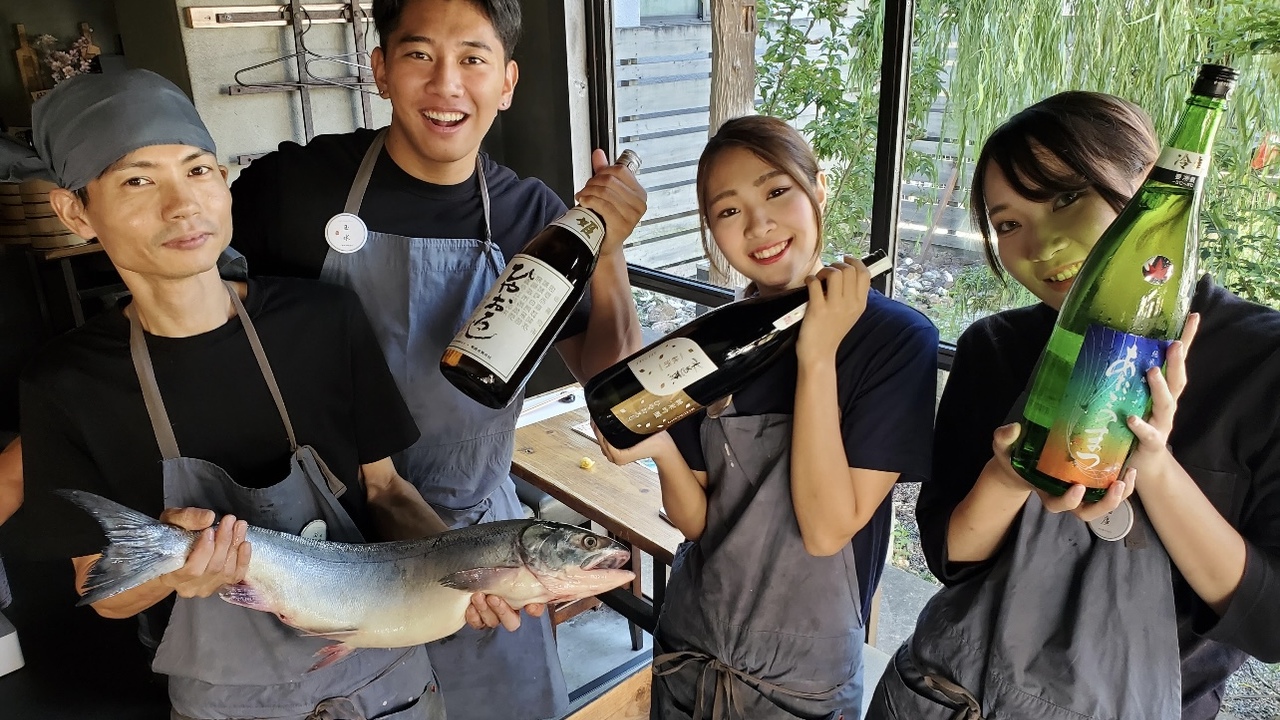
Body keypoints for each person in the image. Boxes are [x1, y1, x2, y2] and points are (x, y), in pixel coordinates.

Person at [5, 68, 523, 720]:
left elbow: (387, 490)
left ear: (223, 184)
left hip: (388, 685)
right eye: (138, 180)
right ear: (76, 211)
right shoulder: (68, 383)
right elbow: (100, 587)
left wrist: (463, 577)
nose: (182, 204)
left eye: (198, 171)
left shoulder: (323, 319)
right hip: (230, 704)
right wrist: (173, 569)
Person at [228, 0, 646, 717]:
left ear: (507, 82)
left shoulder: (530, 216)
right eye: (420, 55)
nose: (447, 84)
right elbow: (211, 322)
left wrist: (607, 250)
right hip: (330, 543)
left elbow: (617, 402)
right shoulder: (293, 188)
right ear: (380, 69)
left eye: (474, 59)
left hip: (481, 544)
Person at [868, 92, 1280, 719]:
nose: (1040, 243)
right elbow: (948, 557)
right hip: (950, 698)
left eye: (1066, 197)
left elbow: (1270, 622)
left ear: (1152, 192)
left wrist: (1157, 467)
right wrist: (1009, 475)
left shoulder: (1262, 363)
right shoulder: (998, 347)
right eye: (1007, 224)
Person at [595, 115, 938, 719]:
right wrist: (659, 450)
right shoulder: (709, 344)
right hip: (691, 651)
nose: (758, 225)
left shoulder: (894, 339)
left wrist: (817, 354)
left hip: (800, 686)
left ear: (818, 188)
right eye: (728, 211)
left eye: (777, 191)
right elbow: (700, 522)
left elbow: (829, 528)